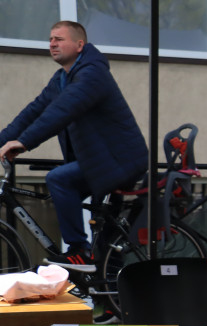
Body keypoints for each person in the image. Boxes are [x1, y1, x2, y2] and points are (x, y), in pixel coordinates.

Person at [0, 21, 147, 273]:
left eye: (59, 39)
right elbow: (33, 113)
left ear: (80, 45)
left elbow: (63, 110)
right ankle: (106, 283)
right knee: (104, 238)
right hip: (102, 160)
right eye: (50, 39)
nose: (52, 44)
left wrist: (24, 142)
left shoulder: (93, 74)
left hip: (121, 160)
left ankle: (80, 251)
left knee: (60, 180)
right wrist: (4, 140)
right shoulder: (62, 79)